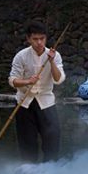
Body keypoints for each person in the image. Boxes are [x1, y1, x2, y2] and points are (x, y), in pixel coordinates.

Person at [8, 20, 65, 162]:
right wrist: (27, 81)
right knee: (27, 144)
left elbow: (59, 79)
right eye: (35, 39)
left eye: (42, 39)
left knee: (52, 139)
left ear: (46, 38)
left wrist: (51, 62)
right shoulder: (21, 56)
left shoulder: (54, 55)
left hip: (46, 102)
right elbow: (13, 80)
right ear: (28, 39)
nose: (39, 42)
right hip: (24, 103)